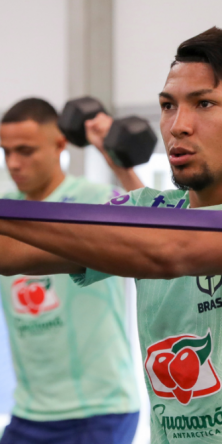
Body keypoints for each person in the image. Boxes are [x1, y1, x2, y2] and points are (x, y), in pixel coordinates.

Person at [0, 27, 222, 444]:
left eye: (204, 103)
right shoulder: (149, 209)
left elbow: (173, 253)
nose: (178, 126)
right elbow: (9, 251)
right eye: (168, 106)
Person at [0, 98, 142, 443]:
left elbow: (164, 235)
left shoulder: (95, 200)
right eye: (6, 152)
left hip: (100, 408)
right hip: (30, 409)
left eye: (25, 151)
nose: (13, 163)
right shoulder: (6, 208)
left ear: (60, 145)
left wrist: (117, 160)